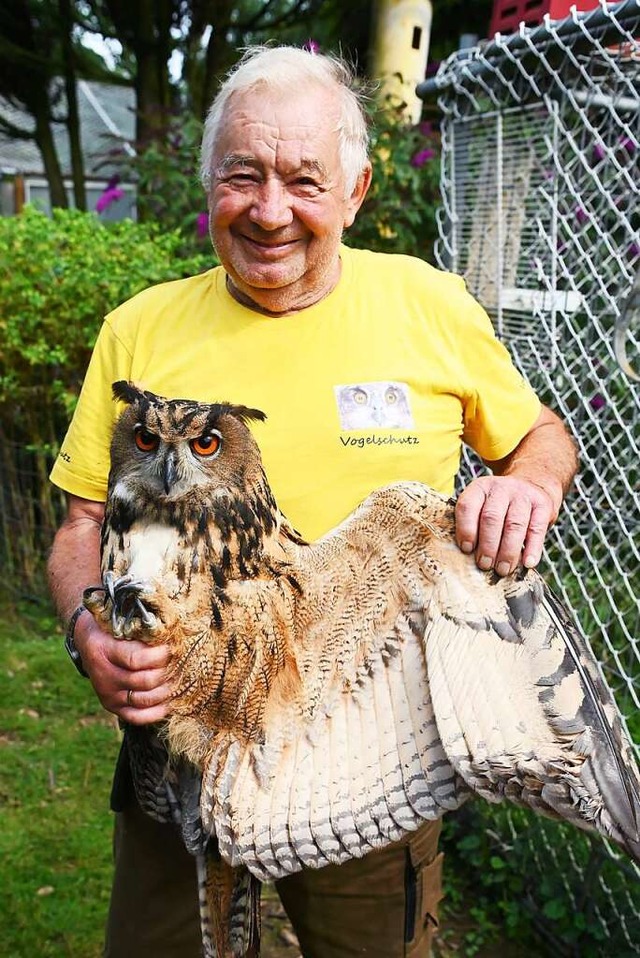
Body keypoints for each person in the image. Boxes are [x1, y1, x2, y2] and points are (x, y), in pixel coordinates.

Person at [47, 45, 578, 958]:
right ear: (208, 181)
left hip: (367, 742)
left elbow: (541, 436)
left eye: (304, 179)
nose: (270, 209)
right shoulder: (139, 328)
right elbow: (81, 526)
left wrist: (526, 482)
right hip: (180, 747)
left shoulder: (427, 304)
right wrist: (85, 629)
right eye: (242, 175)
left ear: (357, 190)